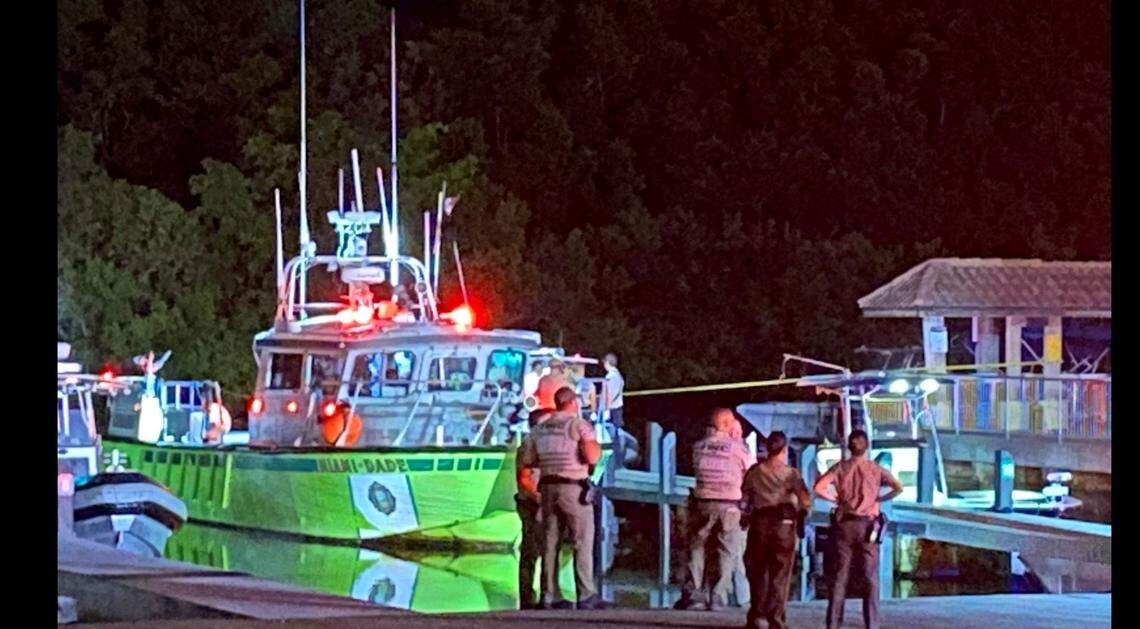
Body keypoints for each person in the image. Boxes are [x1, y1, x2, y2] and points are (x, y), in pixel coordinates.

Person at [518, 387, 606, 610]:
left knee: (549, 543)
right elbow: (593, 456)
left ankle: (549, 595)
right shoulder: (578, 426)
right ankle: (585, 594)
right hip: (574, 489)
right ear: (573, 402)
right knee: (582, 541)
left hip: (547, 488)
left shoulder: (539, 429)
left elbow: (528, 460)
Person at [814, 430, 904, 629]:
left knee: (839, 577)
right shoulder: (875, 469)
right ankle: (871, 623)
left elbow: (819, 487)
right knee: (870, 577)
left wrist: (835, 499)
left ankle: (833, 623)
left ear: (848, 447)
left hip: (844, 525)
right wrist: (878, 500)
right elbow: (898, 487)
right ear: (867, 447)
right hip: (868, 527)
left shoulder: (840, 468)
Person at [675, 408, 754, 611]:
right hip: (729, 506)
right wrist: (739, 439)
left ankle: (693, 595)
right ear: (727, 424)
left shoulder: (699, 447)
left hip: (702, 503)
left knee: (697, 549)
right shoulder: (738, 449)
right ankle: (717, 597)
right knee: (726, 552)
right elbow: (752, 472)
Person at [740, 431, 811, 629]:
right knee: (781, 573)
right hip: (784, 524)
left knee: (758, 570)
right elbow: (805, 501)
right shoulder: (791, 474)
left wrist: (744, 518)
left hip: (760, 524)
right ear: (784, 449)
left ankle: (756, 615)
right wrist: (803, 516)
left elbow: (744, 499)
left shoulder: (754, 472)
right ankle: (776, 618)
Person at [515, 409, 553, 609]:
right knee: (531, 550)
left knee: (546, 548)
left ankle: (545, 594)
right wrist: (538, 497)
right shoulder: (530, 445)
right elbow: (525, 477)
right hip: (532, 503)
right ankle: (528, 597)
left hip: (541, 501)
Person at [602, 353, 625, 467]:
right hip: (618, 409)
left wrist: (605, 410)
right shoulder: (619, 376)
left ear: (607, 363)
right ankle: (617, 461)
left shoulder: (611, 377)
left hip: (612, 410)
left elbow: (609, 395)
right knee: (616, 434)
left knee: (610, 436)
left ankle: (612, 462)